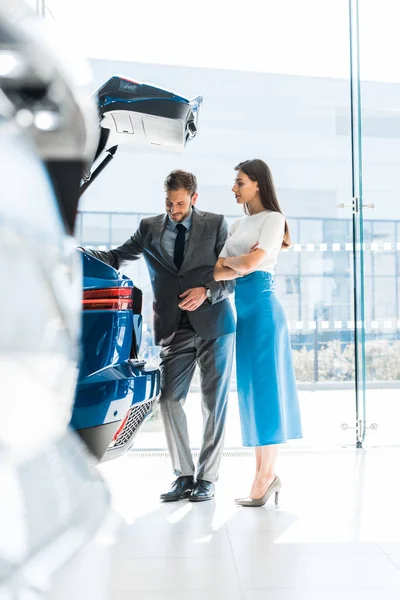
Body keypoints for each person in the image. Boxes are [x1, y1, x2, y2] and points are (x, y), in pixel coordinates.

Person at [84, 170, 235, 502]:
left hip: (215, 324)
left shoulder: (216, 224)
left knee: (213, 404)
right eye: (168, 203)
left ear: (194, 199)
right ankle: (183, 475)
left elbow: (233, 273)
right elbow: (116, 258)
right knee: (168, 398)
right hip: (173, 328)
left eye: (180, 203)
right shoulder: (149, 228)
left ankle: (207, 479)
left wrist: (206, 291)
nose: (173, 210)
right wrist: (75, 251)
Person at [214, 159, 302, 507]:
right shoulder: (238, 224)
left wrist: (236, 264)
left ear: (258, 185)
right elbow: (217, 272)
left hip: (264, 313)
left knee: (266, 392)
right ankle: (264, 475)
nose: (234, 188)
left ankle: (265, 476)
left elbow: (247, 266)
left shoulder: (273, 220)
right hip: (244, 316)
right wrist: (237, 264)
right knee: (251, 392)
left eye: (240, 182)